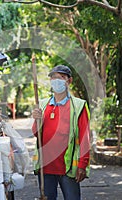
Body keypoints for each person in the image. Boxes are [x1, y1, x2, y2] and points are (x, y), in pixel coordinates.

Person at [32, 65, 90, 200]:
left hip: (67, 168)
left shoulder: (78, 105)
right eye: (53, 78)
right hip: (46, 166)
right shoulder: (42, 104)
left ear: (69, 81)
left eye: (61, 78)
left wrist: (82, 165)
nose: (56, 81)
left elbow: (84, 138)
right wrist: (37, 120)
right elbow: (36, 133)